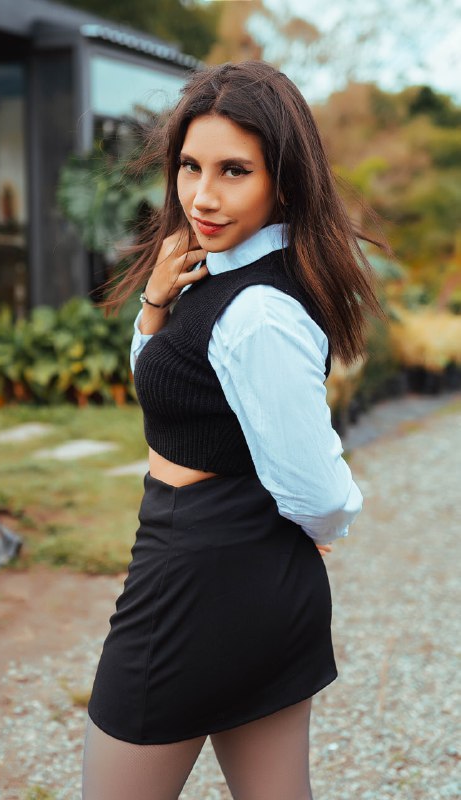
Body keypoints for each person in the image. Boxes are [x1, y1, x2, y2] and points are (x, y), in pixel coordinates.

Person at [82, 60, 385, 800]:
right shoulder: (214, 273)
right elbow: (168, 393)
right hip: (248, 575)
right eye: (191, 166)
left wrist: (323, 525)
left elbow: (318, 488)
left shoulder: (257, 311)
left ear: (283, 180)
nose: (202, 196)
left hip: (196, 576)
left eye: (233, 171)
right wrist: (154, 304)